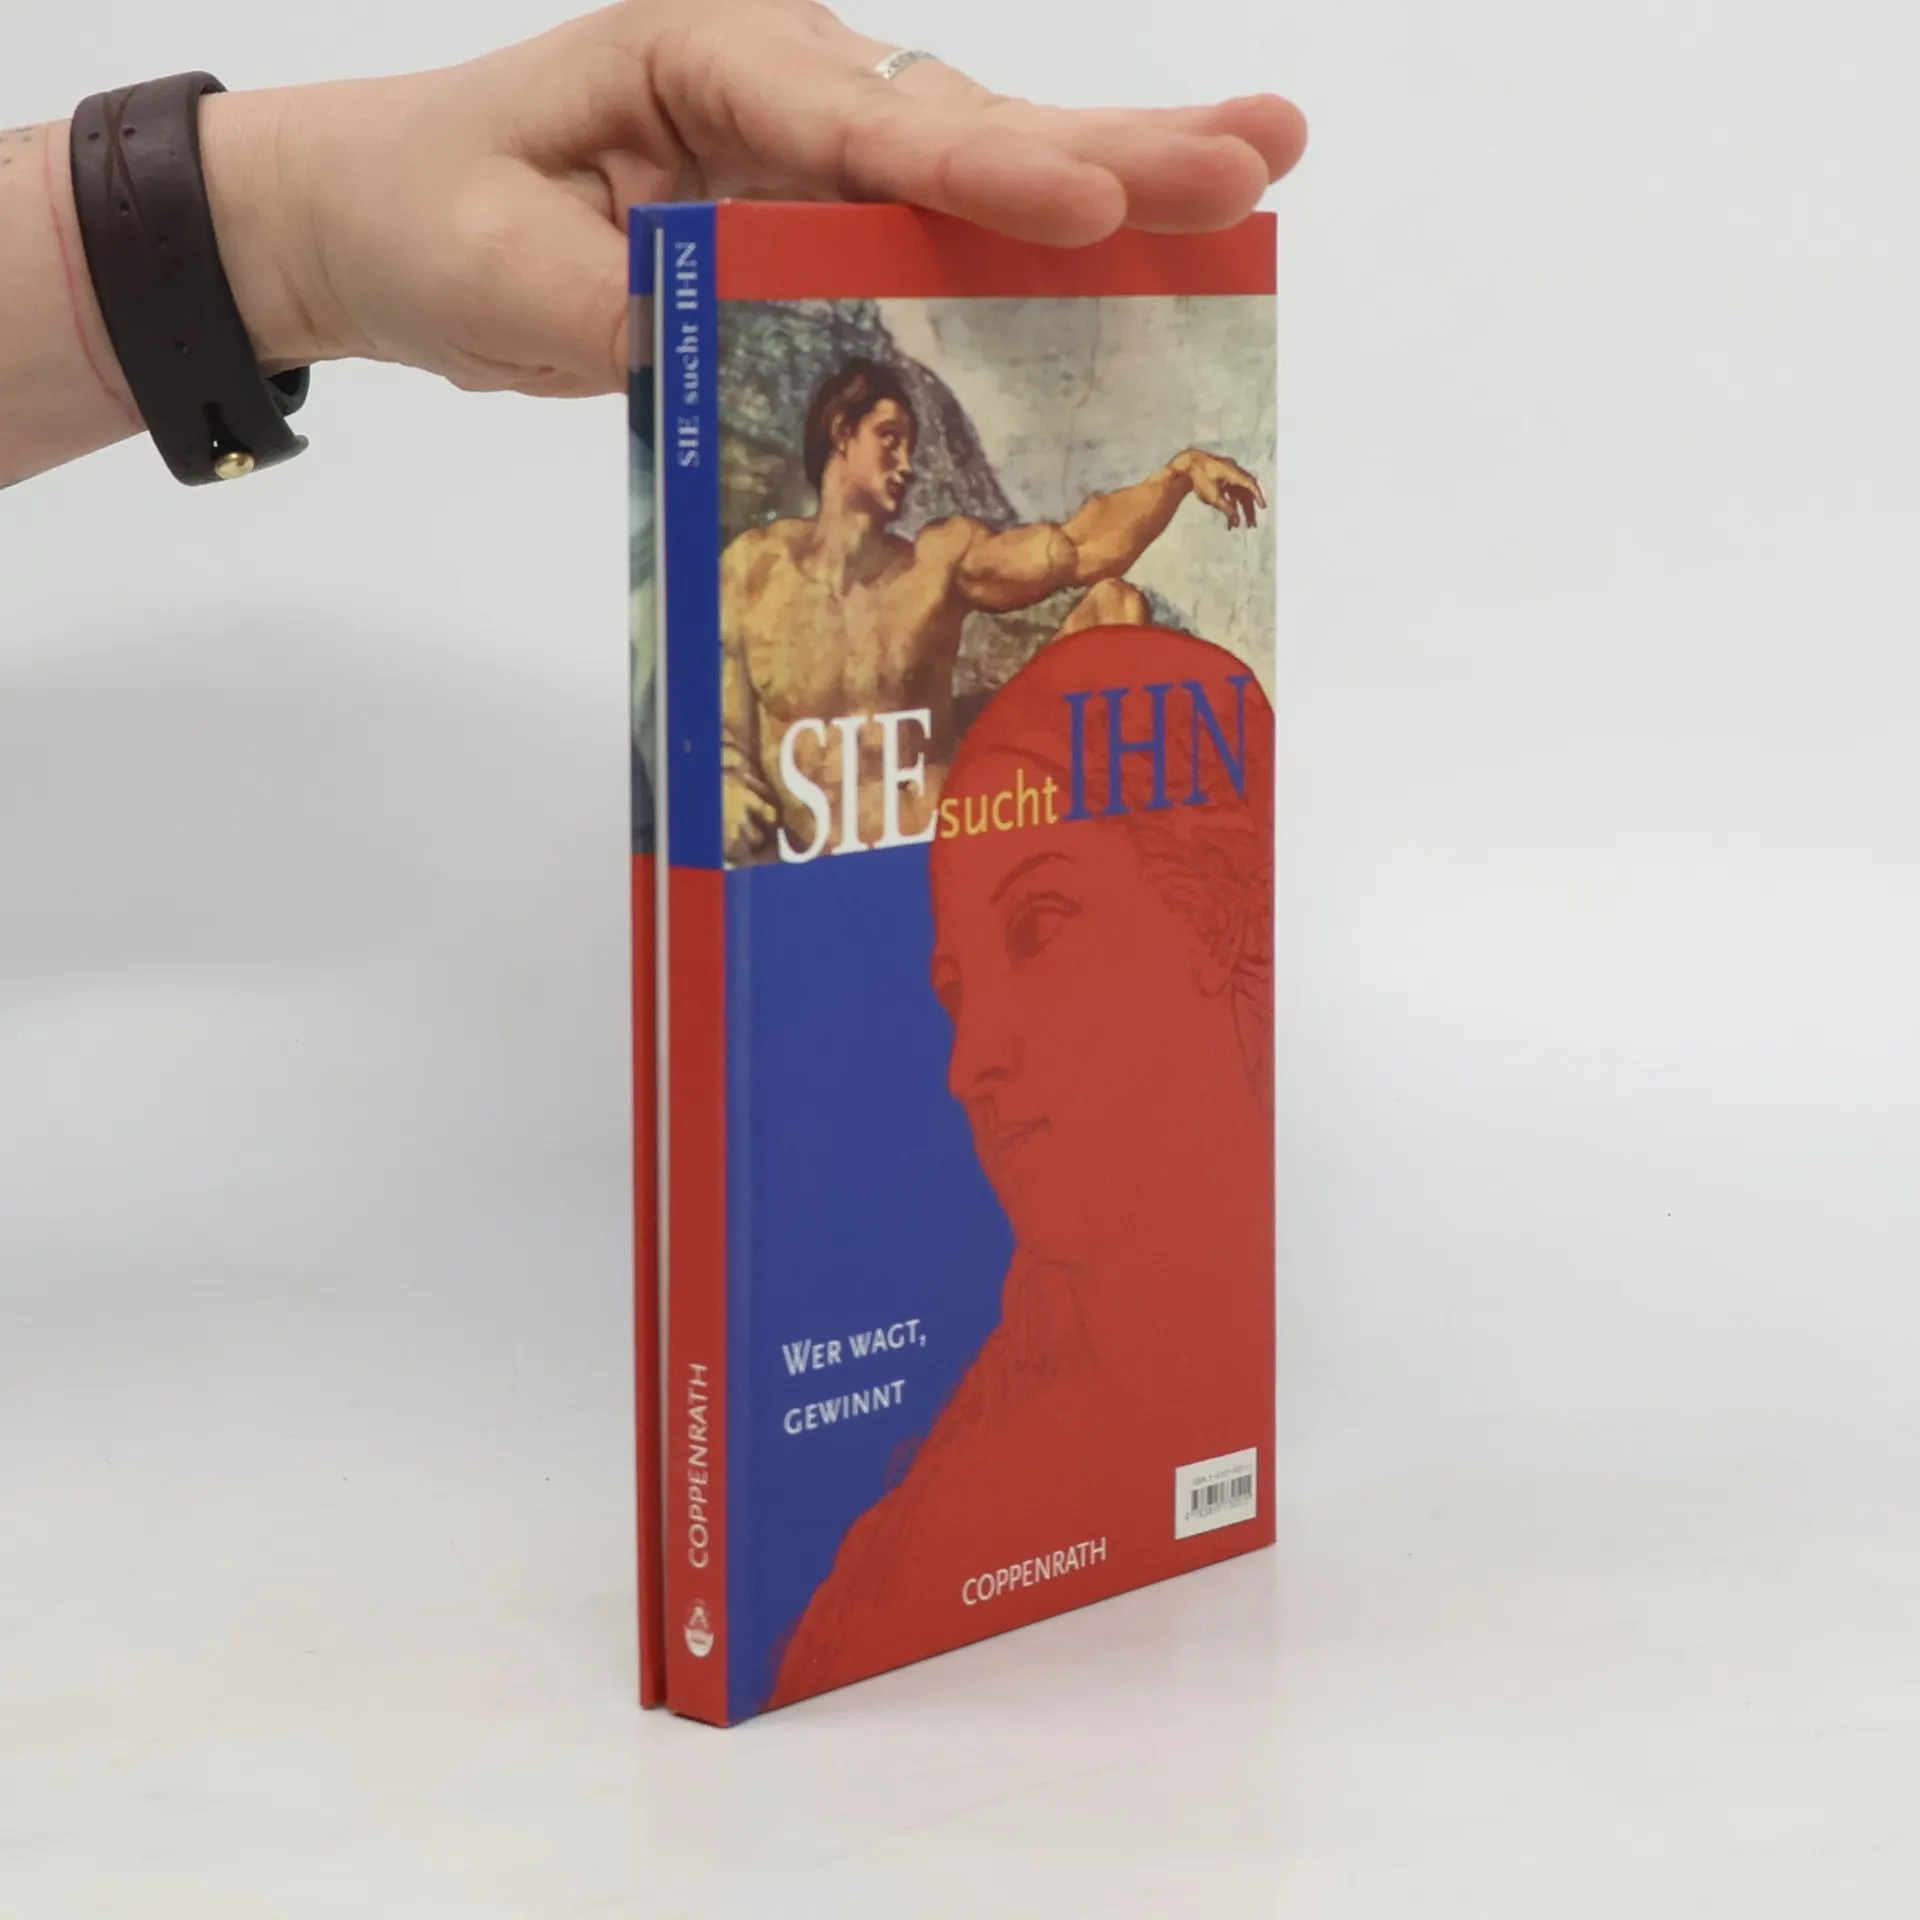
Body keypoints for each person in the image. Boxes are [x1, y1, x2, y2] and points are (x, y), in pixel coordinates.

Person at [0, 0, 1307, 490]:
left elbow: (1065, 554)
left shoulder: (948, 559)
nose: (909, 457)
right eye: (886, 433)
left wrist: (293, 220)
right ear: (829, 441)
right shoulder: (787, 575)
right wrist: (290, 225)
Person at [768, 620, 1275, 1709]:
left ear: (1218, 921)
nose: (969, 1066)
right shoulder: (921, 1552)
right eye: (958, 993)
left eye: (1038, 930)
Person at [721, 354, 1267, 862]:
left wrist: (1177, 477)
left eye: (911, 446)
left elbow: (1077, 548)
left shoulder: (936, 562)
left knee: (1115, 607)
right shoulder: (754, 569)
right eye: (890, 439)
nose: (907, 465)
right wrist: (727, 785)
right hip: (827, 878)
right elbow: (719, 725)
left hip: (953, 852)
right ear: (842, 432)